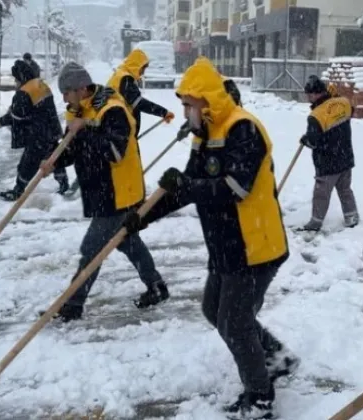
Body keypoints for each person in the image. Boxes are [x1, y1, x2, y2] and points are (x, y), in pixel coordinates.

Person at [122, 56, 298, 420]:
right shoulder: (206, 136)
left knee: (235, 321)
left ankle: (260, 397)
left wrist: (188, 185)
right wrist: (143, 216)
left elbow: (235, 188)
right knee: (213, 310)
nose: (185, 111)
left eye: (188, 104)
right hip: (227, 244)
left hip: (256, 246)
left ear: (206, 100)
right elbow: (184, 190)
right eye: (183, 104)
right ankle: (277, 358)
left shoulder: (242, 130)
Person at [38, 62, 170, 322]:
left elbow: (114, 152)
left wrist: (85, 130)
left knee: (92, 249)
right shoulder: (80, 110)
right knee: (127, 242)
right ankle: (156, 286)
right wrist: (53, 160)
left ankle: (72, 305)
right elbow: (74, 148)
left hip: (119, 192)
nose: (64, 98)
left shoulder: (113, 110)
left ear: (81, 88)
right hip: (101, 190)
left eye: (66, 92)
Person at [0, 60, 69, 200]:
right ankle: (64, 185)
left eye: (16, 79)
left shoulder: (24, 92)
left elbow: (16, 116)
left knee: (27, 164)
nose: (15, 83)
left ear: (21, 78)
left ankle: (18, 191)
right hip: (51, 130)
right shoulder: (40, 84)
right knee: (53, 158)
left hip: (37, 135)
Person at [297, 75, 359, 232]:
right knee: (345, 190)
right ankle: (352, 218)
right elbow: (351, 111)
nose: (308, 98)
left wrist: (306, 140)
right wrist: (335, 98)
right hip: (345, 159)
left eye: (309, 95)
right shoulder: (343, 102)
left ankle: (315, 223)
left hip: (327, 163)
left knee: (321, 194)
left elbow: (313, 141)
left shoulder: (316, 115)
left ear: (316, 94)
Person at [107, 48, 174, 137]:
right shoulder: (125, 79)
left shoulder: (121, 75)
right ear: (136, 66)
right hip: (119, 130)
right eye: (142, 69)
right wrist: (163, 112)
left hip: (115, 127)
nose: (143, 73)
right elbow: (138, 103)